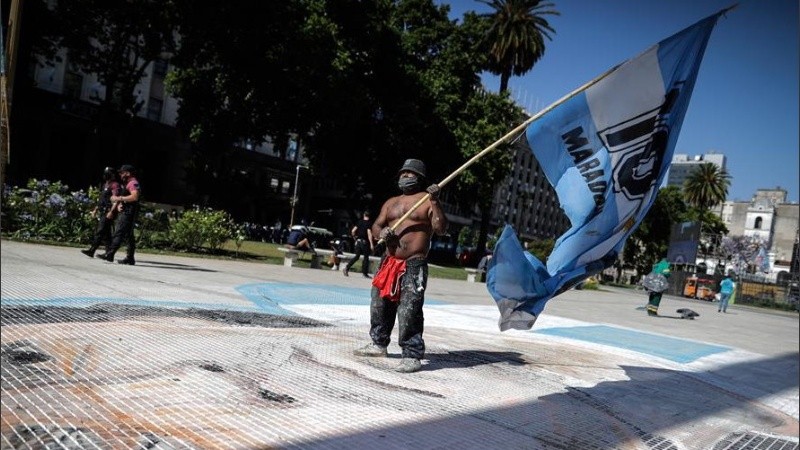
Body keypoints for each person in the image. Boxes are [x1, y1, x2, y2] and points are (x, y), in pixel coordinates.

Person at [353, 159, 448, 373]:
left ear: (419, 178)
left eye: (410, 173)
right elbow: (377, 226)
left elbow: (440, 228)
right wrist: (382, 233)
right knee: (379, 303)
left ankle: (412, 354)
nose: (405, 177)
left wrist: (435, 202)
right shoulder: (391, 202)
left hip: (414, 262)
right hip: (389, 261)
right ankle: (378, 342)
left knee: (409, 308)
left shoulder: (426, 201)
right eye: (403, 173)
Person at [96, 164, 141, 265]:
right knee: (129, 235)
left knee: (119, 232)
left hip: (128, 213)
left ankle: (110, 254)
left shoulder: (133, 183)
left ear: (128, 173)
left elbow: (134, 197)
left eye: (122, 173)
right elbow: (128, 197)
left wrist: (118, 199)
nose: (120, 175)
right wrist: (121, 204)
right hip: (127, 211)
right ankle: (130, 258)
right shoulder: (129, 183)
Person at [80, 167, 121, 258]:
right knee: (106, 233)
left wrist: (111, 212)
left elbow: (116, 200)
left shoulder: (115, 185)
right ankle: (108, 253)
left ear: (113, 175)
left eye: (108, 173)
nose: (106, 175)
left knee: (100, 231)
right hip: (102, 211)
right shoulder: (105, 184)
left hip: (108, 212)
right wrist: (95, 210)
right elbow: (101, 199)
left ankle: (92, 250)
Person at [343, 210, 375, 278]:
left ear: (364, 215)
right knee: (366, 258)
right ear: (369, 216)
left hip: (358, 241)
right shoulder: (369, 223)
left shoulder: (359, 222)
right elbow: (369, 233)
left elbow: (353, 231)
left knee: (357, 256)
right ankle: (364, 273)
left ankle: (347, 268)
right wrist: (371, 244)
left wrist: (355, 238)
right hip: (364, 242)